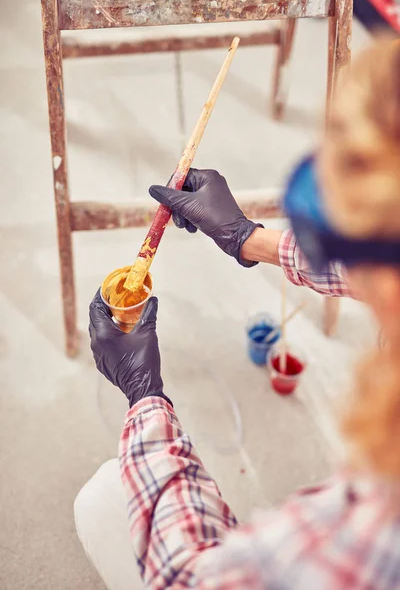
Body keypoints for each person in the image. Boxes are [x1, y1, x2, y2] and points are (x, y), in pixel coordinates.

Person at [75, 38, 400, 589]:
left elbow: (190, 579)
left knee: (105, 498)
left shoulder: (375, 529)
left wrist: (144, 395)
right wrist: (248, 238)